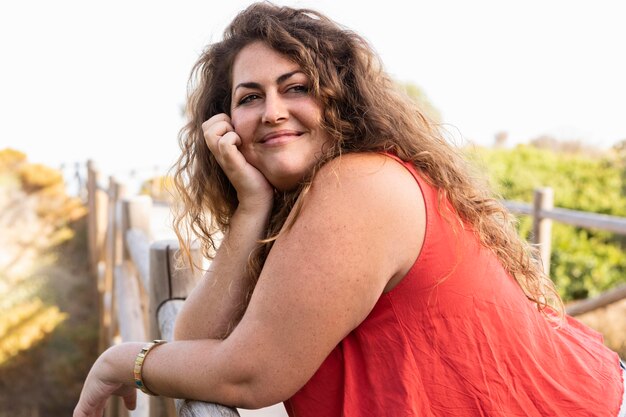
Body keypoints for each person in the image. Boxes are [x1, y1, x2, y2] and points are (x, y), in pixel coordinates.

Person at [75, 3, 625, 416]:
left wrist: (121, 360)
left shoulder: (360, 183)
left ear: (341, 98)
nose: (272, 112)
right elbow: (193, 347)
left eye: (296, 88)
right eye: (248, 97)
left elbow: (251, 376)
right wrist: (251, 209)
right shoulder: (298, 202)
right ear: (224, 123)